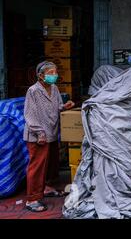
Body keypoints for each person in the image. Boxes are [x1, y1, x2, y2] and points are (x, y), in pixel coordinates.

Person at [23, 61, 75, 212]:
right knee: (37, 167)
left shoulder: (54, 88)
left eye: (55, 72)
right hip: (38, 136)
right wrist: (39, 133)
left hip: (51, 133)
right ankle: (32, 199)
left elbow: (57, 106)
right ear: (40, 76)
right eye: (51, 73)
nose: (54, 75)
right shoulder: (33, 91)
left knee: (50, 165)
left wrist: (64, 107)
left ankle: (46, 188)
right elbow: (30, 115)